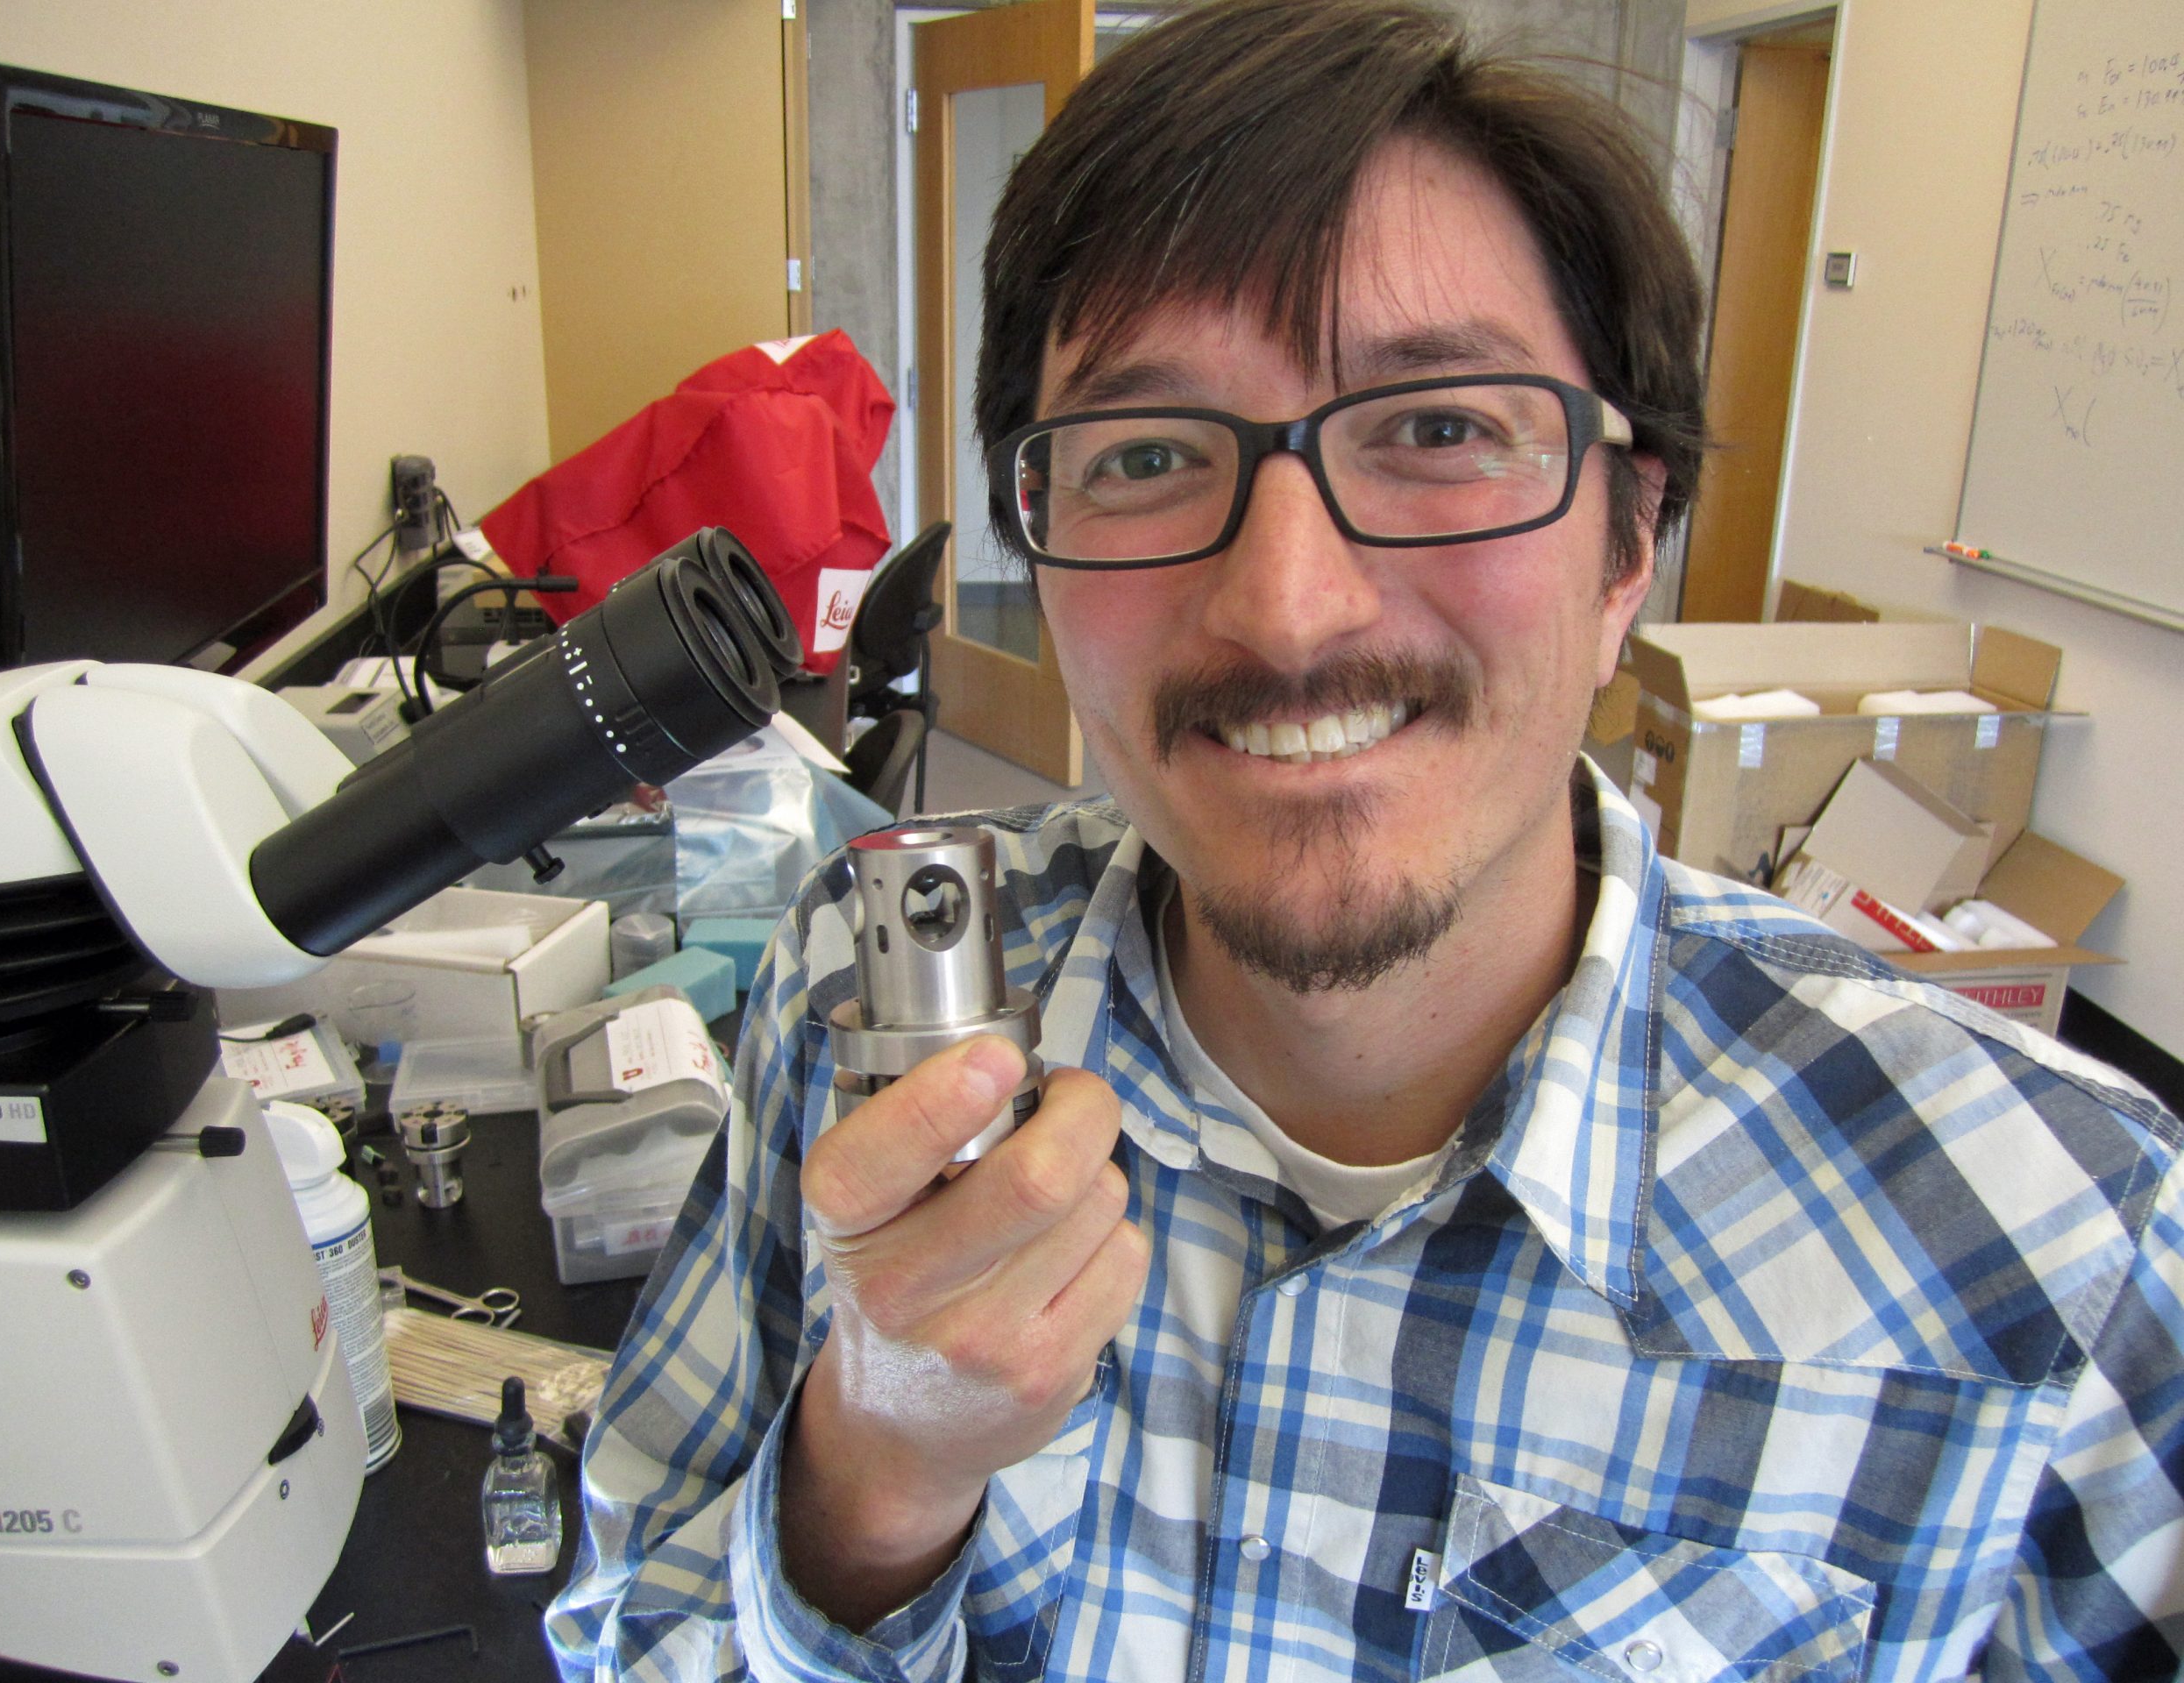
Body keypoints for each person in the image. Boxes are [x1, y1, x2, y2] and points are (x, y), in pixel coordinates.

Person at [549, 1, 2184, 1676]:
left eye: (1438, 432)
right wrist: (875, 1483)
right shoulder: (870, 994)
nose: (1289, 606)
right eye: (1152, 455)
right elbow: (629, 1626)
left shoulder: (2062, 1248)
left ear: (1631, 544)